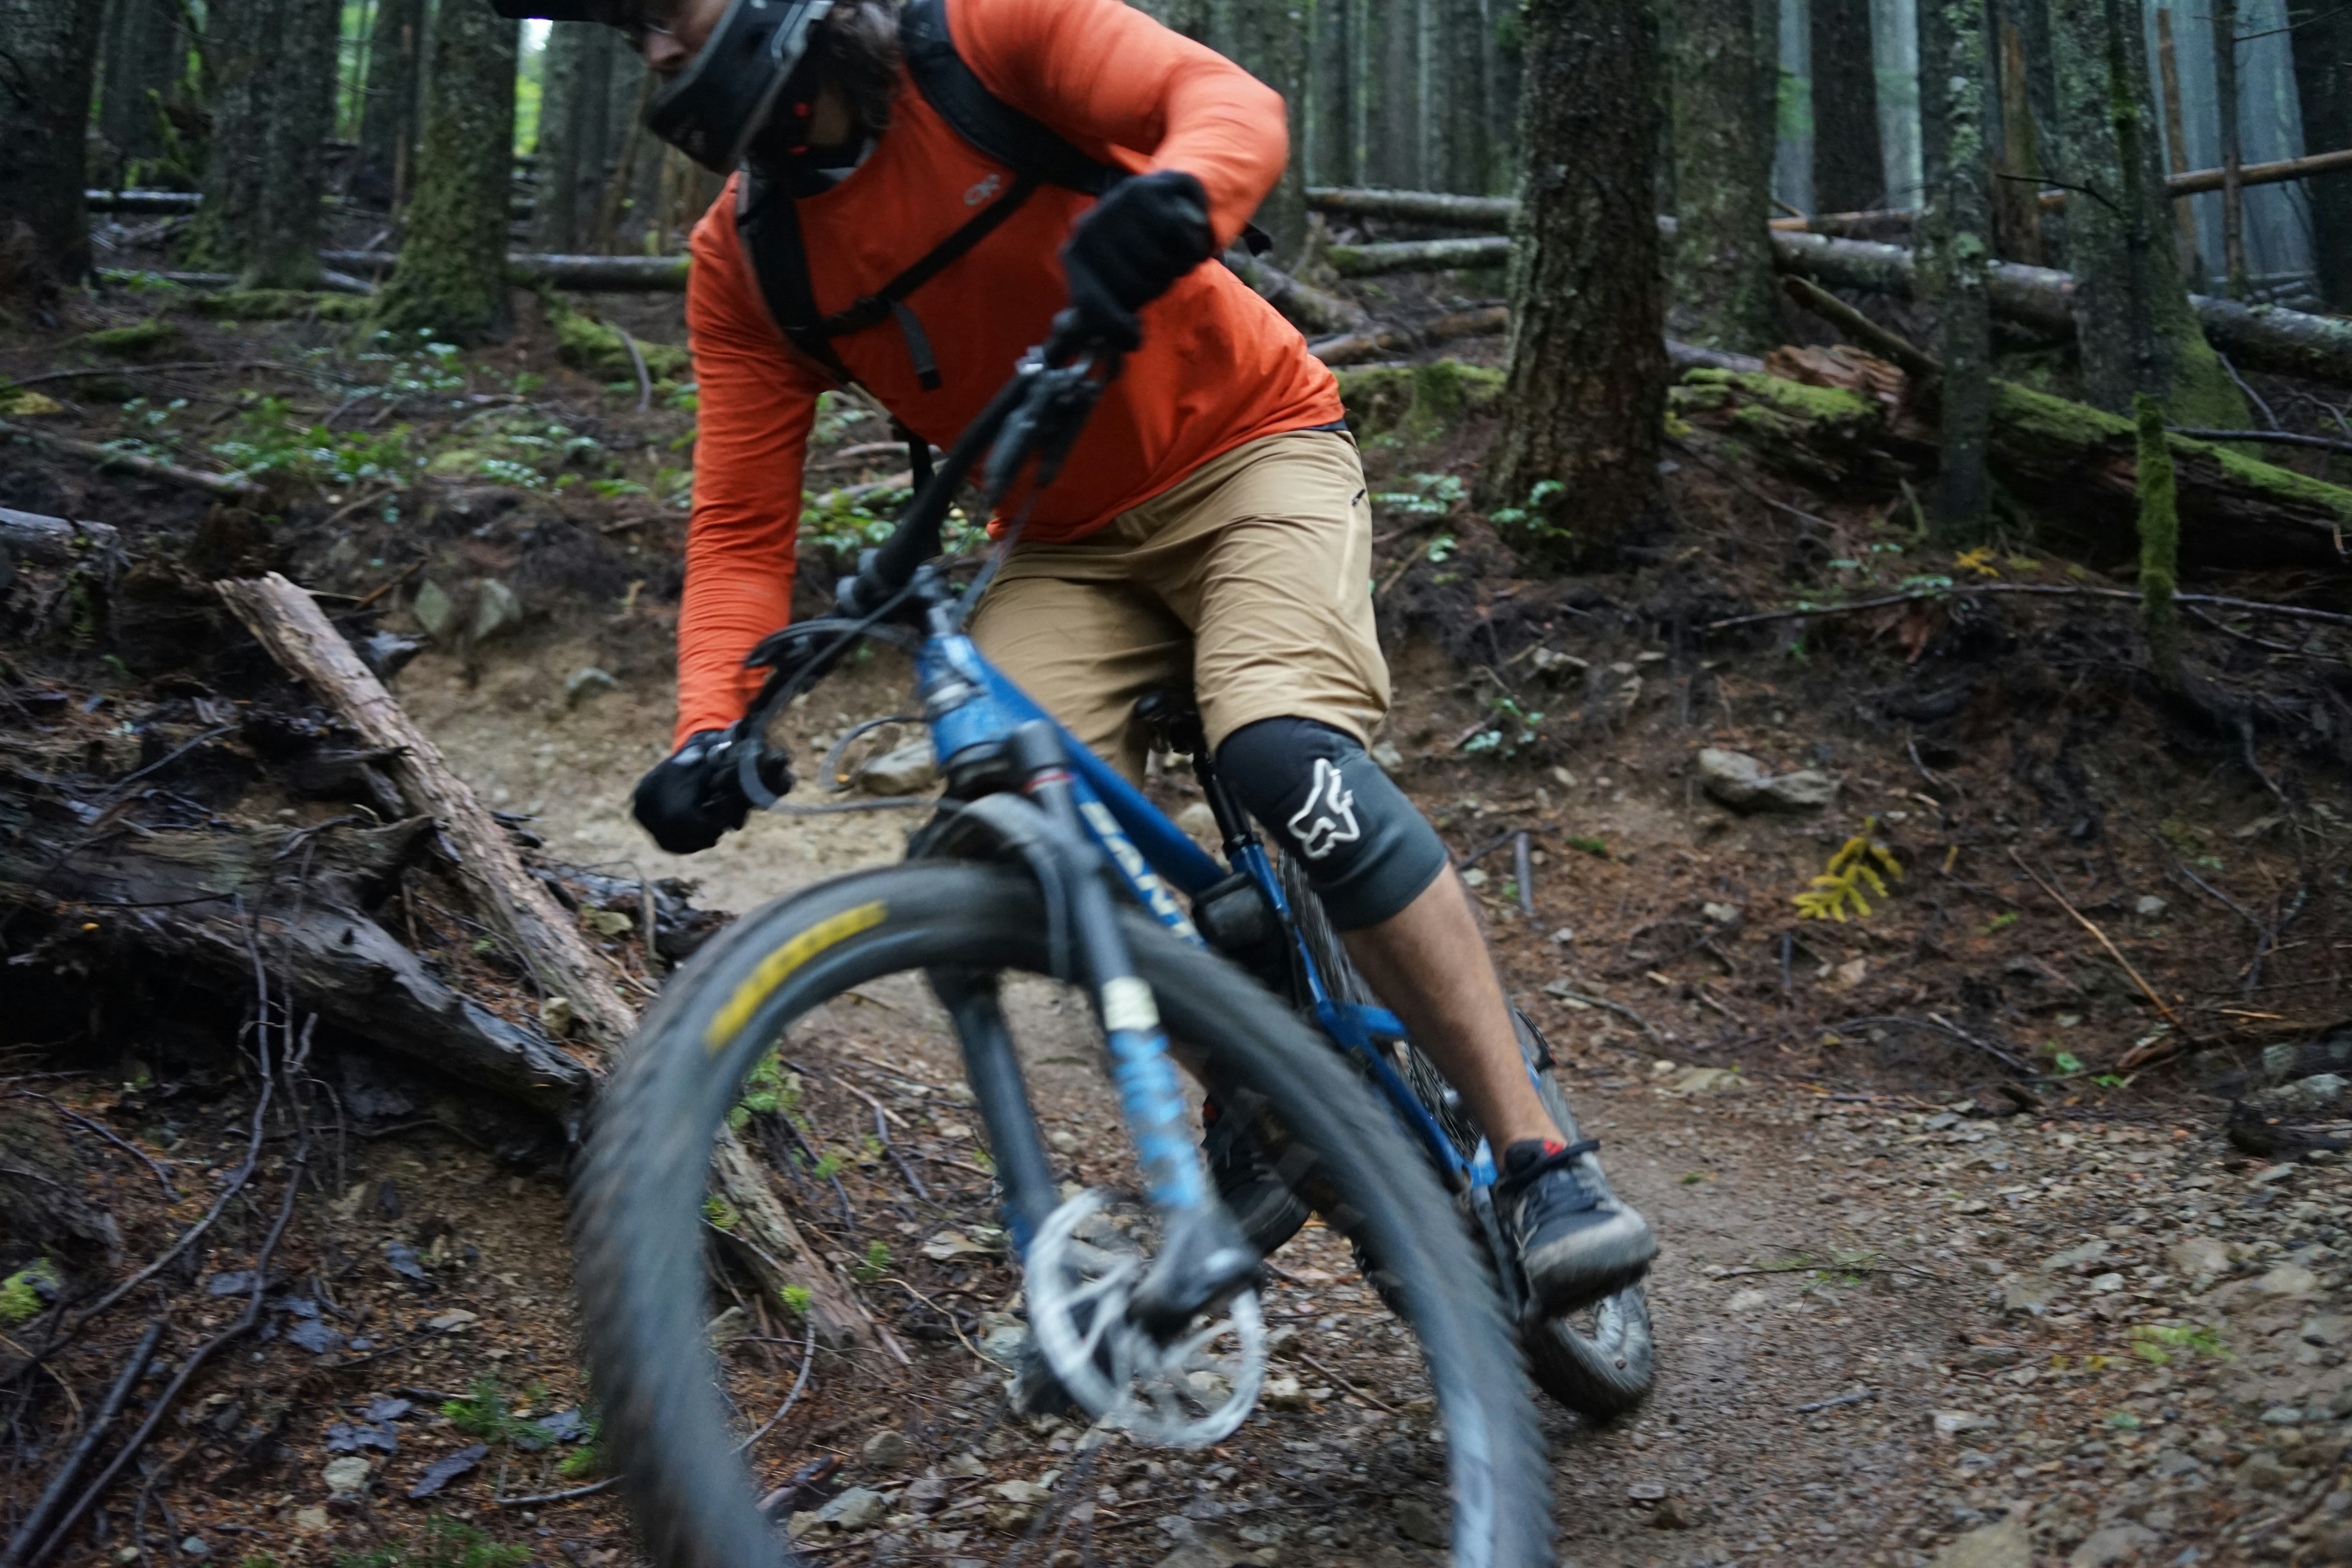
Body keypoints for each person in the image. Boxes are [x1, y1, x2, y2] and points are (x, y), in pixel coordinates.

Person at [491, 0, 1654, 1316]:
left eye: (668, 10)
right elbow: (745, 524)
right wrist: (713, 725)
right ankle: (1258, 1097)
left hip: (1252, 454)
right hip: (1054, 543)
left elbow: (1228, 107)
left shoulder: (985, 36)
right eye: (629, 31)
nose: (654, 50)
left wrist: (1176, 200)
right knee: (1012, 828)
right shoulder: (751, 260)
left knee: (1285, 757)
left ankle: (1541, 1158)